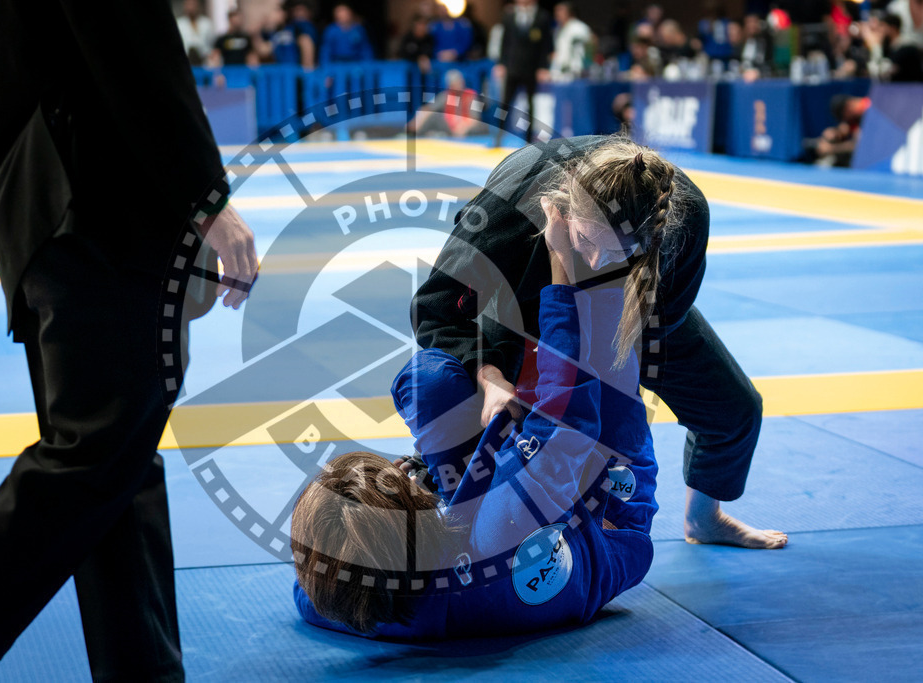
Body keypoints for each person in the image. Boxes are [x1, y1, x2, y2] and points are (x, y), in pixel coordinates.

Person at [0, 0, 259, 681]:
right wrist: (207, 199)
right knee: (96, 448)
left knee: (117, 459)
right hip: (98, 202)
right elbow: (134, 47)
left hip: (41, 203)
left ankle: (142, 670)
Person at [293, 157, 663, 633]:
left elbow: (313, 593)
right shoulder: (502, 528)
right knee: (599, 328)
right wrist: (559, 268)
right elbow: (568, 414)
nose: (403, 473)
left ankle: (492, 396)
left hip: (495, 506)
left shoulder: (364, 604)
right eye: (401, 485)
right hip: (603, 510)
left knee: (430, 381)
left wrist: (363, 533)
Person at [411, 135, 789, 551]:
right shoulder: (508, 213)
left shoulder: (684, 218)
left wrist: (607, 399)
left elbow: (655, 334)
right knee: (501, 407)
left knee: (735, 411)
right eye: (587, 242)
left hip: (631, 299)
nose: (594, 261)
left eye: (614, 249)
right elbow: (434, 307)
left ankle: (704, 520)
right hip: (526, 287)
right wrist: (491, 376)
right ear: (562, 209)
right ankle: (455, 492)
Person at [495, 0, 553, 143]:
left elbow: (546, 44)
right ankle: (498, 135)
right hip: (513, 67)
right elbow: (505, 42)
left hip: (531, 68)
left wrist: (543, 67)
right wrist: (502, 64)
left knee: (530, 105)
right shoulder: (510, 15)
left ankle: (528, 139)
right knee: (505, 102)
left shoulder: (542, 16)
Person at [408, 69, 488, 138]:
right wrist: (415, 121)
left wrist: (463, 127)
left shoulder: (472, 96)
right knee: (431, 115)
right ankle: (414, 135)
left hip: (467, 128)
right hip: (450, 127)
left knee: (482, 127)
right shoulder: (445, 95)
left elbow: (475, 118)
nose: (456, 86)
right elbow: (427, 108)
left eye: (458, 82)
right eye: (453, 84)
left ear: (462, 82)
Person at [549, 1, 593, 82]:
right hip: (560, 71)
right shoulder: (558, 29)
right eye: (556, 10)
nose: (557, 13)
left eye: (561, 10)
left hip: (576, 71)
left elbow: (591, 42)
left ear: (570, 12)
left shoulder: (579, 27)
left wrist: (586, 64)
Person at [177, 0, 216, 65]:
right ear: (185, 6)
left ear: (198, 6)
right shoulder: (179, 24)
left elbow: (211, 43)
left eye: (193, 4)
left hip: (204, 61)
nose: (191, 7)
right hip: (186, 60)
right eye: (189, 4)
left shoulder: (206, 23)